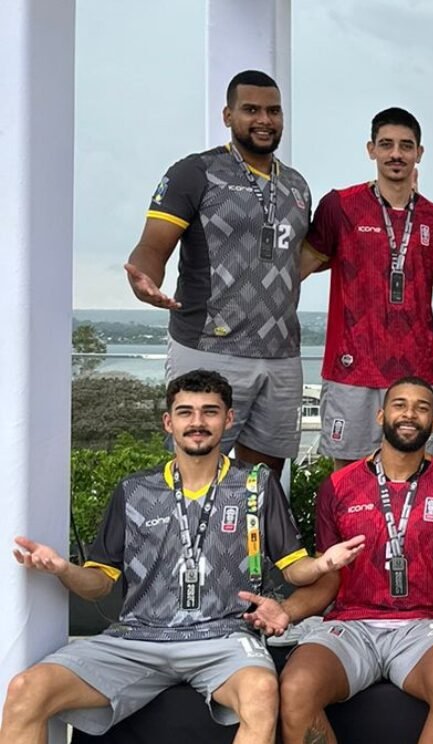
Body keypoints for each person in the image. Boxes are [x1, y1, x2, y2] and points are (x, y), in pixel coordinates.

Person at [0, 370, 362, 744]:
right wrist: (62, 569)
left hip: (224, 637)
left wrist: (323, 563)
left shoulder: (257, 485)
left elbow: (293, 569)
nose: (198, 422)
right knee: (27, 691)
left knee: (260, 692)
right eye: (186, 412)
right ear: (167, 422)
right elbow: (98, 583)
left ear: (228, 420)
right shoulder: (134, 490)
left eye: (210, 412)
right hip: (137, 638)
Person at [279, 377, 433, 744]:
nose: (410, 414)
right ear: (380, 415)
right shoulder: (338, 486)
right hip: (352, 623)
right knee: (295, 688)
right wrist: (286, 612)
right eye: (400, 405)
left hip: (426, 625)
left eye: (423, 407)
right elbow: (326, 584)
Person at [124, 70, 313, 473]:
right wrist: (144, 280)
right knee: (195, 471)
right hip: (208, 347)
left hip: (280, 354)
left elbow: (294, 261)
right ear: (228, 116)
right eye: (251, 110)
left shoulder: (297, 186)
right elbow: (151, 247)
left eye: (273, 111)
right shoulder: (195, 172)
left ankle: (251, 540)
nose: (264, 120)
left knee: (261, 482)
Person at [301, 108, 433, 468]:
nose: (396, 154)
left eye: (405, 146)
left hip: (414, 368)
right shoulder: (341, 206)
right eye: (386, 145)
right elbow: (300, 265)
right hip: (351, 366)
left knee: (414, 470)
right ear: (371, 149)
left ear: (419, 153)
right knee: (347, 471)